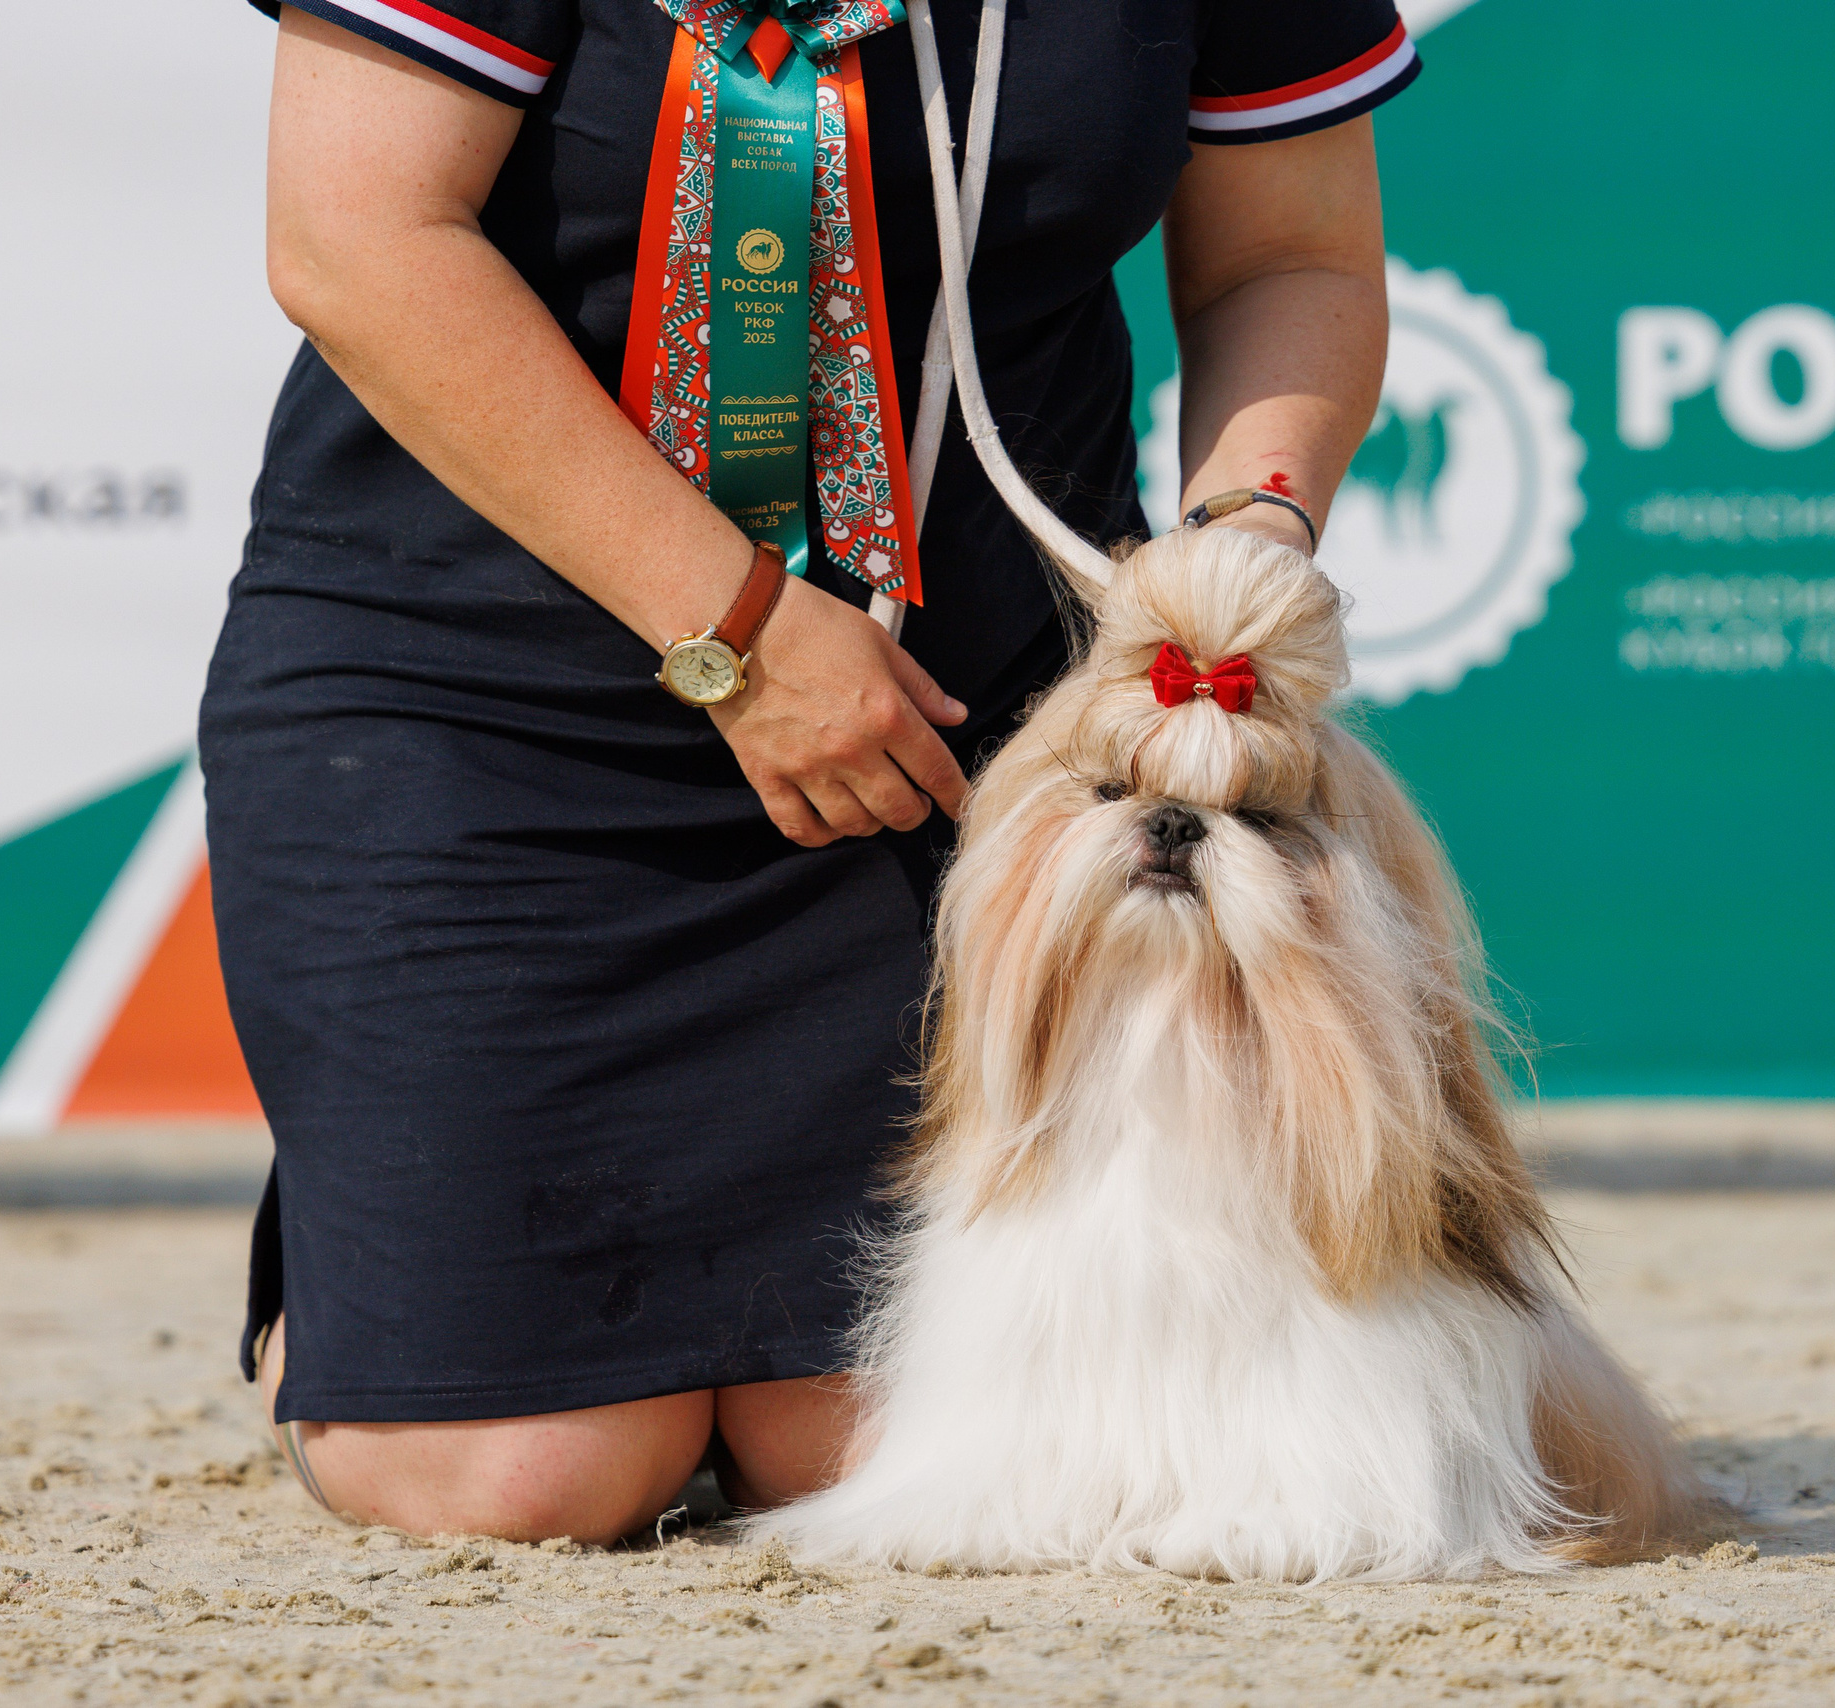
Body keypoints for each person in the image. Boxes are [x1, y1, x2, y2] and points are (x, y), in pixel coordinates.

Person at [208, 0, 1407, 1542]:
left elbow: (1289, 259)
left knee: (899, 1453)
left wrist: (1249, 532)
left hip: (949, 742)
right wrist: (747, 636)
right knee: (526, 1478)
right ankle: (379, 1256)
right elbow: (357, 238)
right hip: (478, 706)